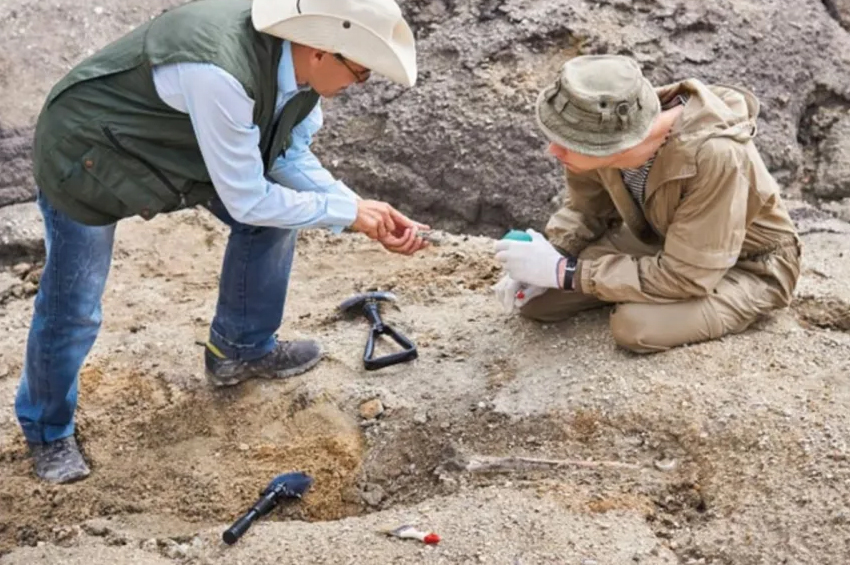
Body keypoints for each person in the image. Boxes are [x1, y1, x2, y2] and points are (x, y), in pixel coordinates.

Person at [16, 0, 429, 484]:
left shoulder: (295, 69)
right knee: (74, 307)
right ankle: (46, 430)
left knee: (279, 215)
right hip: (86, 154)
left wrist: (361, 208)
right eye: (360, 73)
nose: (358, 86)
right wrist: (348, 215)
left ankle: (240, 349)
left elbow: (287, 159)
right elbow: (248, 199)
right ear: (320, 51)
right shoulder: (221, 72)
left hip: (175, 150)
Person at [494, 55, 801, 354]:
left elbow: (686, 275)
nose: (553, 149)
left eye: (566, 141)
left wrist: (566, 272)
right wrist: (551, 255)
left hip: (749, 264)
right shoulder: (604, 121)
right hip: (663, 238)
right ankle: (638, 286)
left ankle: (702, 298)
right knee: (537, 300)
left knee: (636, 326)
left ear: (611, 145)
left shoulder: (716, 155)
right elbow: (586, 211)